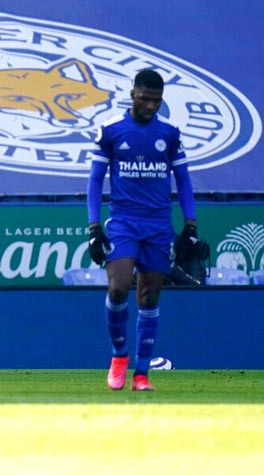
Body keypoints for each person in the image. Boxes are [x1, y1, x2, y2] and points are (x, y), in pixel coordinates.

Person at [87, 69, 198, 392]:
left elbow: (184, 181)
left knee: (149, 297)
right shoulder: (112, 131)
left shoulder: (170, 134)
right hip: (123, 222)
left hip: (159, 226)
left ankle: (141, 373)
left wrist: (190, 224)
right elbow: (95, 181)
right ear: (133, 94)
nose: (150, 106)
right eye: (145, 99)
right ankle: (119, 356)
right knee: (119, 287)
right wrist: (94, 227)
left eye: (156, 101)